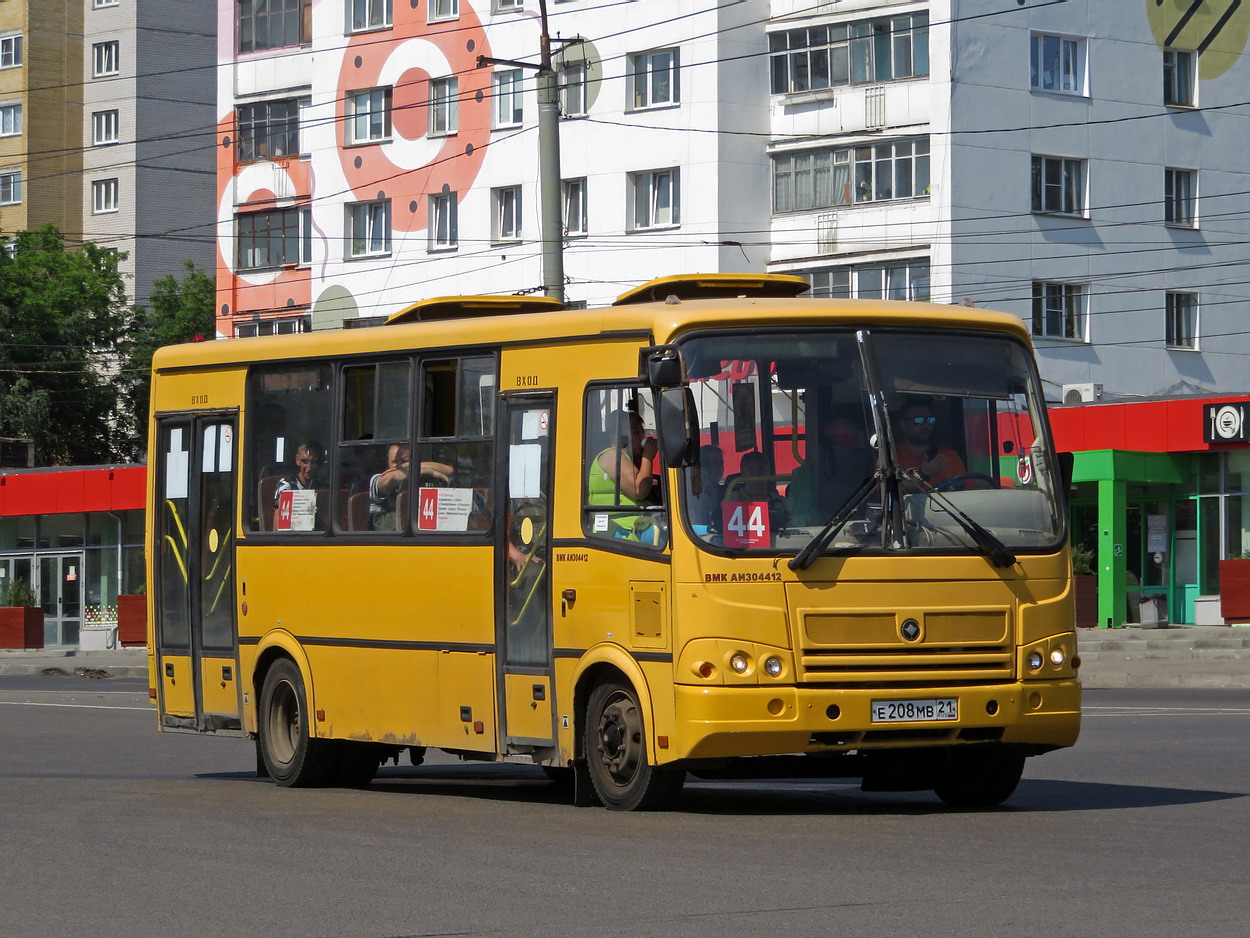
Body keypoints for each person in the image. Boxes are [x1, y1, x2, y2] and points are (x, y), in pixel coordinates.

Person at [787, 414, 875, 524]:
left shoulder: (874, 459)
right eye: (838, 439)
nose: (842, 443)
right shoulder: (822, 462)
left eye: (848, 437)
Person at [588, 409, 661, 541]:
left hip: (637, 525)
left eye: (642, 432)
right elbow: (639, 489)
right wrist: (647, 457)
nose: (642, 437)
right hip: (624, 530)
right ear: (620, 436)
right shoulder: (611, 456)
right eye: (636, 433)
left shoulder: (628, 459)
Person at [369, 444, 455, 531]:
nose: (399, 465)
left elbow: (449, 470)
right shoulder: (378, 479)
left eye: (404, 461)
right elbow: (390, 478)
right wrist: (424, 470)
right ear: (387, 462)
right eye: (394, 461)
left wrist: (413, 466)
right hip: (388, 531)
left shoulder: (417, 472)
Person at [894, 399, 965, 488]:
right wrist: (924, 474)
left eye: (930, 420)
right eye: (918, 421)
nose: (925, 425)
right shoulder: (892, 457)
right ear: (903, 425)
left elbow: (968, 487)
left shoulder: (948, 455)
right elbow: (893, 495)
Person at [273, 440, 325, 529]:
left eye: (313, 462)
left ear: (320, 463)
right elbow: (278, 527)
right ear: (297, 461)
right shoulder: (286, 486)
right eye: (304, 461)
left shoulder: (323, 487)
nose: (309, 467)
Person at [686, 444, 725, 531]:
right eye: (714, 463)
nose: (720, 468)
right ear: (703, 467)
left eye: (721, 463)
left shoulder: (726, 493)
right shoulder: (689, 495)